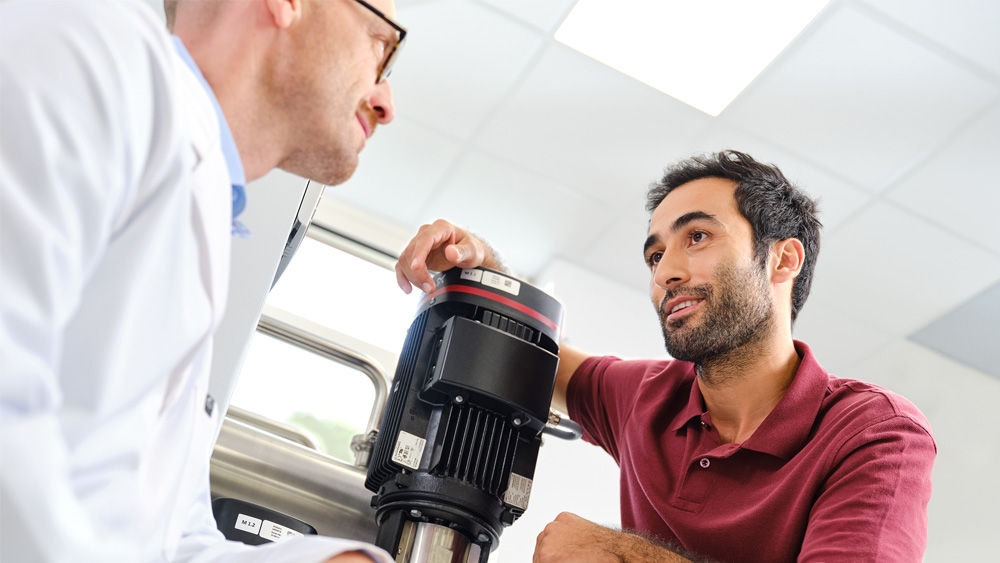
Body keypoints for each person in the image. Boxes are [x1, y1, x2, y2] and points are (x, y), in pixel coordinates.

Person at [1, 0, 404, 560]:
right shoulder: (90, 50)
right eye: (381, 46)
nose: (385, 104)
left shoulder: (205, 202)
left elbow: (166, 538)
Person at [395, 150, 937, 562]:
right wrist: (486, 273)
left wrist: (620, 554)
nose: (665, 273)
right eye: (655, 254)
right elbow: (527, 353)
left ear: (782, 260)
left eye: (697, 237)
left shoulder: (875, 434)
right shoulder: (647, 397)